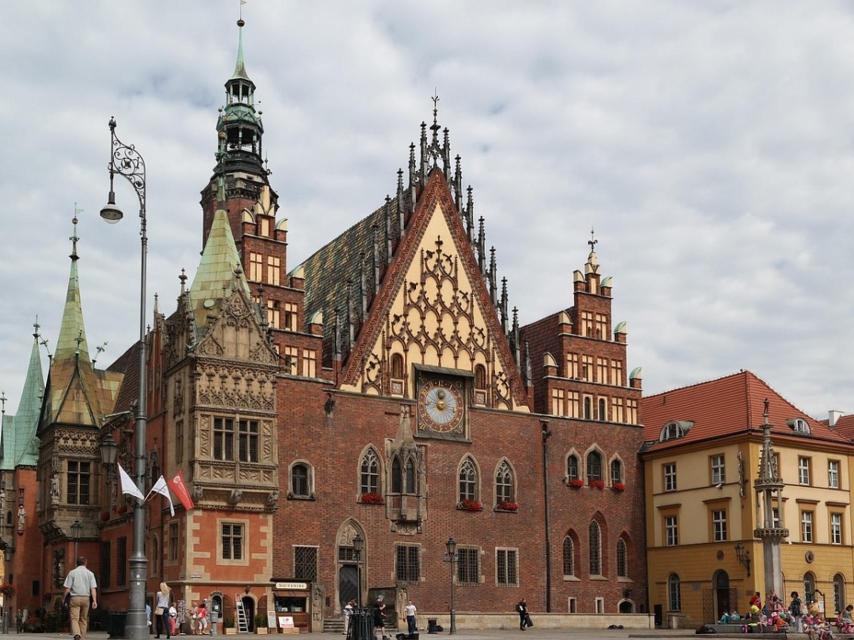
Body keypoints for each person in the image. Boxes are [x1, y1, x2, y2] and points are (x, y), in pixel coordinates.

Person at [63, 556, 98, 640]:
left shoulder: (72, 573)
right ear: (86, 563)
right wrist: (94, 601)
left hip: (74, 598)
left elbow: (67, 589)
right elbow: (93, 588)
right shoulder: (90, 573)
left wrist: (63, 598)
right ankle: (82, 637)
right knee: (84, 618)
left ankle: (77, 634)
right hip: (86, 598)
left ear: (76, 563)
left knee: (74, 618)